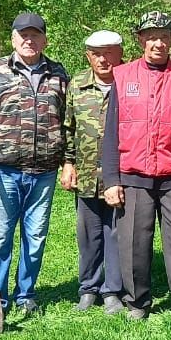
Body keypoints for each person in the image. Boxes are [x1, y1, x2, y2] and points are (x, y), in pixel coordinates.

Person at [102, 11, 171, 327]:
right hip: (133, 172)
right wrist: (111, 178)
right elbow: (111, 133)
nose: (158, 43)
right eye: (151, 36)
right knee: (133, 240)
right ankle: (137, 300)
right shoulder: (123, 77)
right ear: (140, 40)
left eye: (164, 36)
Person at [0, 12, 70, 317]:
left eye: (35, 35)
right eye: (23, 35)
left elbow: (68, 122)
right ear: (13, 38)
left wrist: (68, 161)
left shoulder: (58, 73)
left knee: (36, 235)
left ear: (44, 39)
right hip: (3, 169)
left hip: (44, 171)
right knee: (1, 236)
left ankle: (26, 293)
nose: (29, 40)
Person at [60, 30, 127, 315]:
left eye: (109, 52)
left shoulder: (129, 83)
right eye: (97, 53)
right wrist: (68, 163)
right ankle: (88, 287)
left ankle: (112, 290)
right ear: (88, 56)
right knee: (87, 234)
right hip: (86, 174)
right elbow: (68, 128)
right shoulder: (77, 84)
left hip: (119, 175)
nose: (103, 59)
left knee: (116, 232)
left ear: (120, 54)